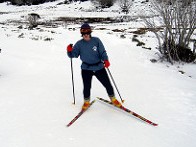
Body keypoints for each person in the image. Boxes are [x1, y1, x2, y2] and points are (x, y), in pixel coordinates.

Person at [67, 23, 122, 110]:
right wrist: (69, 51)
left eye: (87, 33)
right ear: (81, 33)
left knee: (107, 84)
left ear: (90, 32)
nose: (85, 35)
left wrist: (106, 60)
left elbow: (102, 52)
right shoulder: (79, 44)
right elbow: (73, 55)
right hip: (86, 68)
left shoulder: (96, 41)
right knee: (87, 86)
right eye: (83, 33)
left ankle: (113, 99)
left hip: (99, 67)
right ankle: (86, 101)